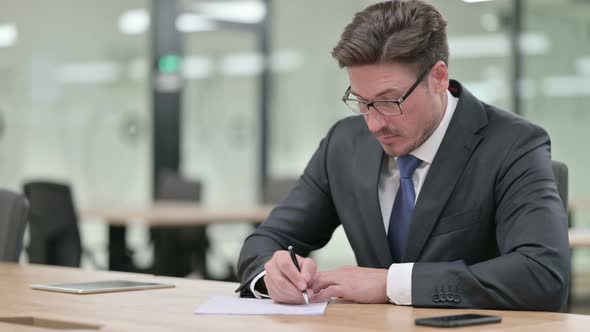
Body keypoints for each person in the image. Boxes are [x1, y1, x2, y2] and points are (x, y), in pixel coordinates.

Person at [236, 0, 570, 311]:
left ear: (438, 77)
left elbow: (542, 273)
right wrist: (274, 276)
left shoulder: (512, 144)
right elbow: (267, 239)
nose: (374, 123)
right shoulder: (344, 144)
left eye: (388, 100)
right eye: (362, 101)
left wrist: (392, 284)